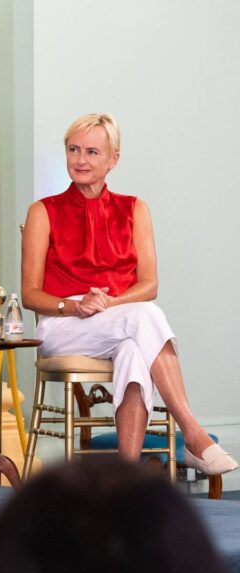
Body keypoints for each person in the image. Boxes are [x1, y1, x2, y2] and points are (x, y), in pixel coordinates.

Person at [21, 113, 237, 475]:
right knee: (145, 317)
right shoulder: (43, 211)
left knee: (135, 350)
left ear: (113, 159)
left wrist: (108, 303)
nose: (80, 160)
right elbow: (29, 294)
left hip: (119, 318)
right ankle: (193, 433)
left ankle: (125, 481)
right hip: (61, 324)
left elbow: (149, 285)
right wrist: (74, 306)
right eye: (73, 150)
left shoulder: (134, 209)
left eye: (92, 152)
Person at [0, 458, 228, 573]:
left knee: (137, 351)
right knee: (143, 349)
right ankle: (192, 435)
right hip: (69, 349)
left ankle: (128, 474)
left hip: (114, 350)